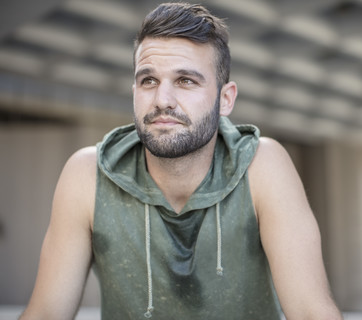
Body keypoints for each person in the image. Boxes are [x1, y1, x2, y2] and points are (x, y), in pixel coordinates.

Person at [20, 3, 342, 319]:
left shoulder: (261, 164)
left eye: (186, 81)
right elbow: (46, 313)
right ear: (134, 90)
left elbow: (311, 312)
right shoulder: (87, 174)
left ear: (225, 99)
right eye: (148, 81)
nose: (162, 100)